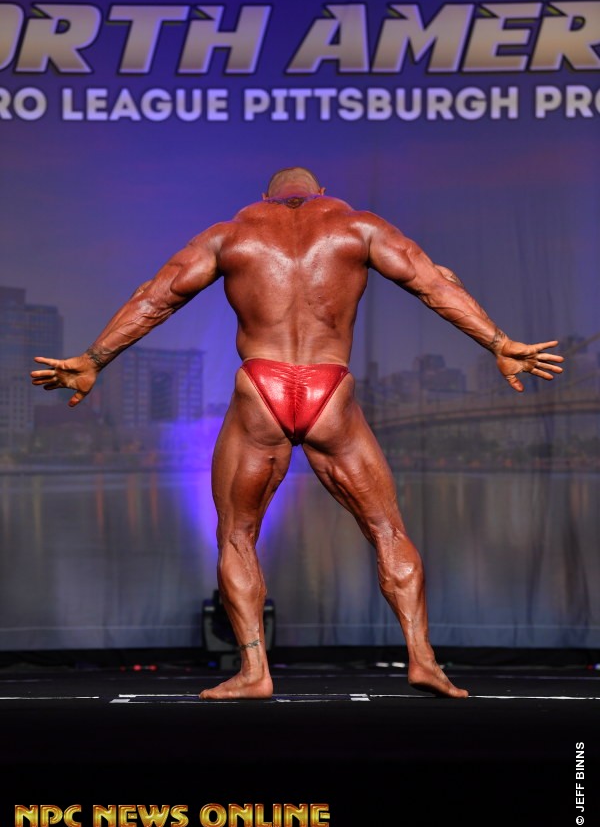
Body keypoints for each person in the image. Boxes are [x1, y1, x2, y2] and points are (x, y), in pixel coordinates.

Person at [30, 166, 564, 700]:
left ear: (264, 197)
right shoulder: (360, 228)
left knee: (237, 536)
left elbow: (155, 297)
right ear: (322, 194)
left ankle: (254, 671)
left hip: (260, 388)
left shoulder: (229, 235)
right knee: (387, 530)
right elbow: (434, 284)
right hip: (330, 390)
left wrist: (94, 358)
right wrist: (498, 343)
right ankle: (423, 660)